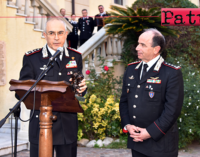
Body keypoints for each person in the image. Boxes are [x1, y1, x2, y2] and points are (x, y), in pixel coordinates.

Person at [18, 18, 87, 157]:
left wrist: (81, 90)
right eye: (51, 33)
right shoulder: (32, 58)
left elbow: (78, 89)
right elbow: (21, 92)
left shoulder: (75, 57)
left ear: (66, 34)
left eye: (60, 33)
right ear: (44, 34)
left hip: (66, 125)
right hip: (40, 124)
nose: (56, 38)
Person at [119, 28, 184, 157]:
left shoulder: (171, 73)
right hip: (137, 141)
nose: (137, 48)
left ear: (156, 49)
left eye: (142, 45)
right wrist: (128, 125)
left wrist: (149, 132)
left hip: (161, 144)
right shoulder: (131, 69)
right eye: (138, 43)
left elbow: (172, 111)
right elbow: (124, 101)